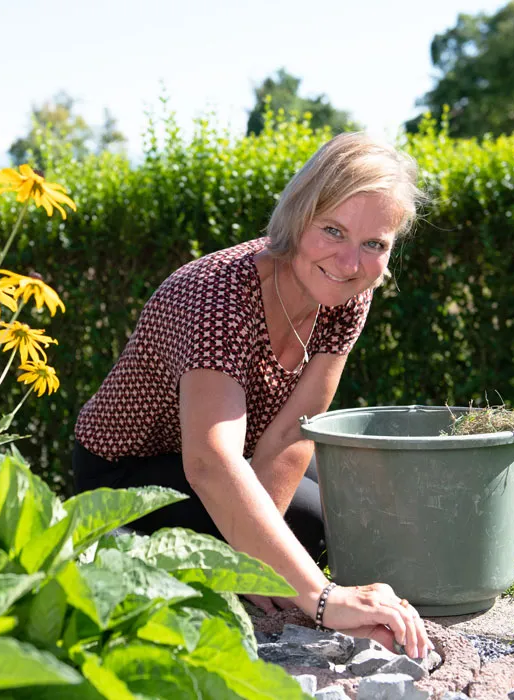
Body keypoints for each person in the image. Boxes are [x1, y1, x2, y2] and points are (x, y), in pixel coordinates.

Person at [72, 132, 432, 658]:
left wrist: (259, 557)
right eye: (332, 230)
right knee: (306, 531)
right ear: (297, 216)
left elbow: (293, 431)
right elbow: (210, 461)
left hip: (237, 453)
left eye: (375, 244)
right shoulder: (216, 293)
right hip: (127, 474)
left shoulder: (347, 293)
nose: (352, 262)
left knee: (344, 513)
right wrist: (323, 598)